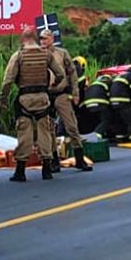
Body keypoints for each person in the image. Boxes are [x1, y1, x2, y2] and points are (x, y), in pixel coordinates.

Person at [0, 28, 65, 182]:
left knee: (25, 134)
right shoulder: (46, 54)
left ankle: (20, 171)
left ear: (23, 39)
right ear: (36, 38)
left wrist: (3, 100)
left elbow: (8, 80)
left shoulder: (19, 56)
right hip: (43, 98)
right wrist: (52, 84)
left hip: (25, 99)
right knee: (45, 133)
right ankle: (47, 169)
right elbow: (60, 73)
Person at [40, 29, 92, 173]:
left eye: (45, 38)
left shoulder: (61, 53)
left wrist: (75, 93)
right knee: (49, 129)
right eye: (41, 39)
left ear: (52, 38)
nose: (43, 41)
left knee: (71, 126)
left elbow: (72, 73)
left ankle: (79, 158)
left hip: (61, 94)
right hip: (45, 95)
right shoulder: (38, 55)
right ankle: (54, 160)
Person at [110, 65, 131, 141]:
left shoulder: (119, 76)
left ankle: (119, 136)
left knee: (119, 120)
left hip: (113, 102)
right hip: (123, 100)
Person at [83, 73, 113, 139]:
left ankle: (100, 134)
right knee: (107, 119)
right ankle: (97, 134)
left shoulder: (93, 84)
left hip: (89, 105)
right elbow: (109, 95)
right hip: (100, 103)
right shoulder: (107, 83)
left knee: (98, 120)